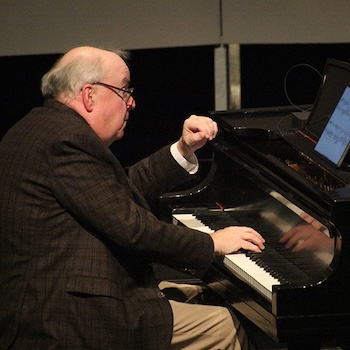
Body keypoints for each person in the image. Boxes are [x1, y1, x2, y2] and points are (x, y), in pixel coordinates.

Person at [0, 46, 265, 350]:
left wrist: (182, 149)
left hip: (56, 295)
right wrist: (213, 243)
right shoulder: (66, 141)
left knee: (216, 295)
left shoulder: (41, 127)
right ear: (89, 95)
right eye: (124, 90)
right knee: (224, 328)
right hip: (64, 318)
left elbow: (114, 192)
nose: (132, 102)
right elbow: (134, 230)